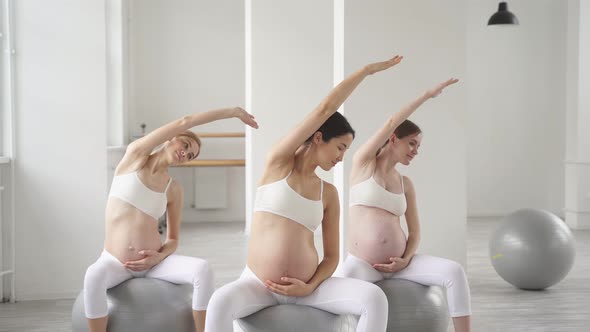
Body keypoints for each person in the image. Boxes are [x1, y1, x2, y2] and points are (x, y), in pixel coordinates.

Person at [204, 56, 403, 332]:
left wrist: (309, 286)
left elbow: (332, 257)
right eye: (341, 147)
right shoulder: (278, 164)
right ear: (319, 137)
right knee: (218, 302)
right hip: (257, 284)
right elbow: (326, 108)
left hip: (308, 288)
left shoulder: (328, 193)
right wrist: (366, 72)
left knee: (374, 298)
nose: (341, 158)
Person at [83, 107, 259, 332]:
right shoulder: (134, 158)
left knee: (202, 270)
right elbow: (186, 121)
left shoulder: (173, 189)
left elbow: (173, 239)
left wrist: (158, 257)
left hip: (155, 264)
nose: (185, 153)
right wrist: (233, 112)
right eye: (185, 145)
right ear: (171, 138)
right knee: (93, 276)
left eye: (191, 155)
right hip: (116, 262)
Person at [337, 78, 472, 332]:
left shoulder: (406, 183)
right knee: (344, 309)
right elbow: (391, 120)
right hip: (363, 264)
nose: (415, 151)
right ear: (393, 139)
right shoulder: (363, 164)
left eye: (418, 147)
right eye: (412, 143)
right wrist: (426, 94)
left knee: (454, 272)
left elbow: (415, 232)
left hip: (402, 265)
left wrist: (406, 259)